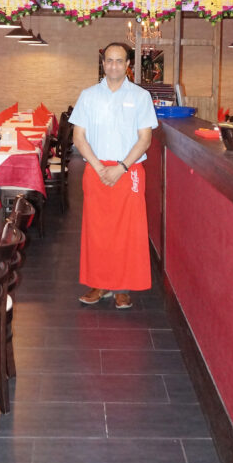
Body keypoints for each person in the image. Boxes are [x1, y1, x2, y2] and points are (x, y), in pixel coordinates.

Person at [69, 41, 158, 309]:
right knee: (97, 230)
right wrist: (98, 168)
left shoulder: (141, 97)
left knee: (128, 232)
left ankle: (122, 286)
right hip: (95, 170)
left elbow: (145, 139)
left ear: (128, 65)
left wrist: (120, 168)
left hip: (127, 170)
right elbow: (78, 136)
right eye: (109, 60)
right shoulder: (88, 95)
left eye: (119, 61)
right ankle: (99, 284)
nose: (113, 65)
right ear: (103, 63)